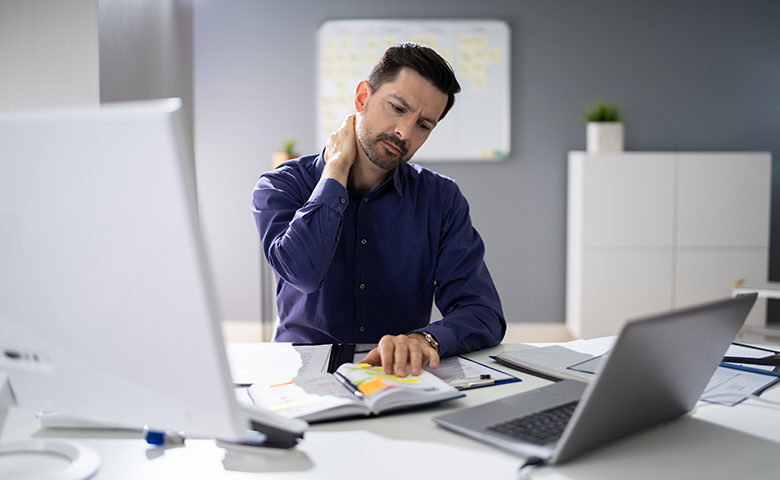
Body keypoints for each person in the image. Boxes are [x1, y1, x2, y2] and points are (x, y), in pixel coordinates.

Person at [252, 43, 505, 377]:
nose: (405, 132)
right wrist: (335, 172)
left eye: (423, 125)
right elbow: (303, 273)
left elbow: (482, 311)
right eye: (398, 108)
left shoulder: (441, 198)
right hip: (301, 375)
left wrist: (425, 338)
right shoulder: (280, 186)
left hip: (395, 375)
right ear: (362, 98)